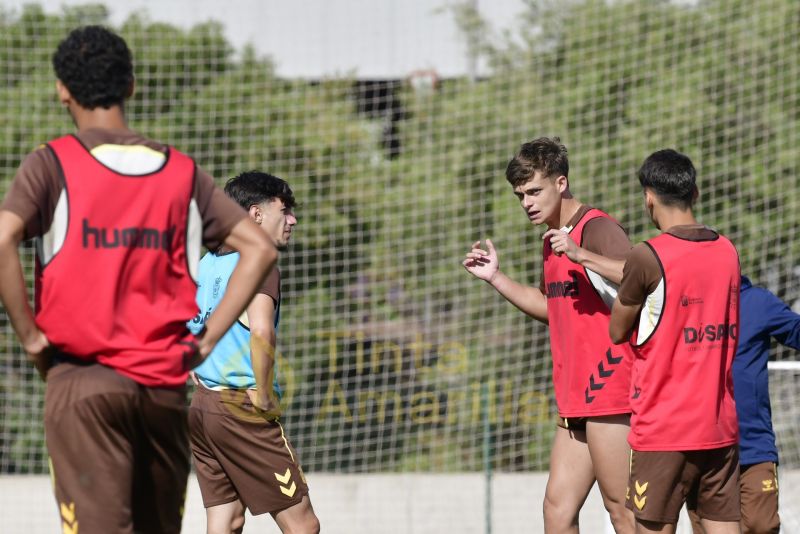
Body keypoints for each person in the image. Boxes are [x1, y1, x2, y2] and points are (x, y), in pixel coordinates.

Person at [0, 26, 276, 533]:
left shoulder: (51, 164)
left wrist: (33, 339)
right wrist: (205, 340)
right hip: (161, 386)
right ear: (131, 84)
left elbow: (2, 238)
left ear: (62, 89)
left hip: (83, 381)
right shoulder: (180, 172)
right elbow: (258, 248)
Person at [463, 136, 635, 533]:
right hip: (576, 396)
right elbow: (551, 306)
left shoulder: (597, 228)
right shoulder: (554, 238)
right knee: (557, 510)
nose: (526, 202)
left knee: (622, 511)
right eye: (520, 195)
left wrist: (580, 254)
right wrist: (496, 278)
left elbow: (641, 278)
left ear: (561, 182)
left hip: (611, 393)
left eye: (534, 191)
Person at [609, 149, 740, 534]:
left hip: (664, 429)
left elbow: (617, 330)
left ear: (648, 196)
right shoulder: (728, 251)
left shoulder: (647, 256)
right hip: (719, 428)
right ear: (694, 193)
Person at [189, 171, 320, 534]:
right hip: (241, 409)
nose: (292, 219)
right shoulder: (258, 263)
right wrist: (263, 395)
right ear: (256, 214)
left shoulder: (205, 264)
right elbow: (261, 330)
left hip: (202, 409)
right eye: (285, 209)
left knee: (226, 521)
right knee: (304, 525)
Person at [689, 275, 797, 534]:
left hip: (753, 446)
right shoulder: (686, 305)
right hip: (701, 446)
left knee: (761, 525)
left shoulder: (757, 302)